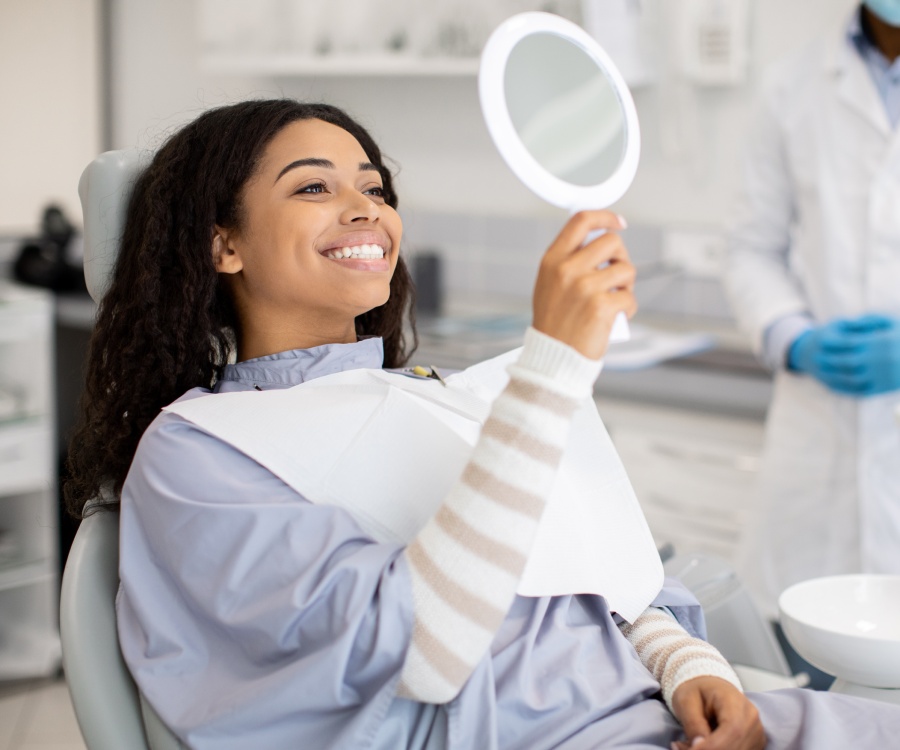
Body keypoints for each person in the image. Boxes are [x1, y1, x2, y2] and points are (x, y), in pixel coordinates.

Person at [65, 99, 900, 750]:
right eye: (314, 187)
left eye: (374, 188)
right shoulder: (199, 452)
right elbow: (421, 647)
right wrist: (552, 370)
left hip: (665, 717)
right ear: (224, 246)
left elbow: (603, 572)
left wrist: (690, 668)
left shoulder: (432, 395)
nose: (365, 209)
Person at [725, 1, 900, 618]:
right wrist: (794, 338)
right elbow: (750, 248)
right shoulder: (791, 85)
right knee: (806, 652)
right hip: (815, 457)